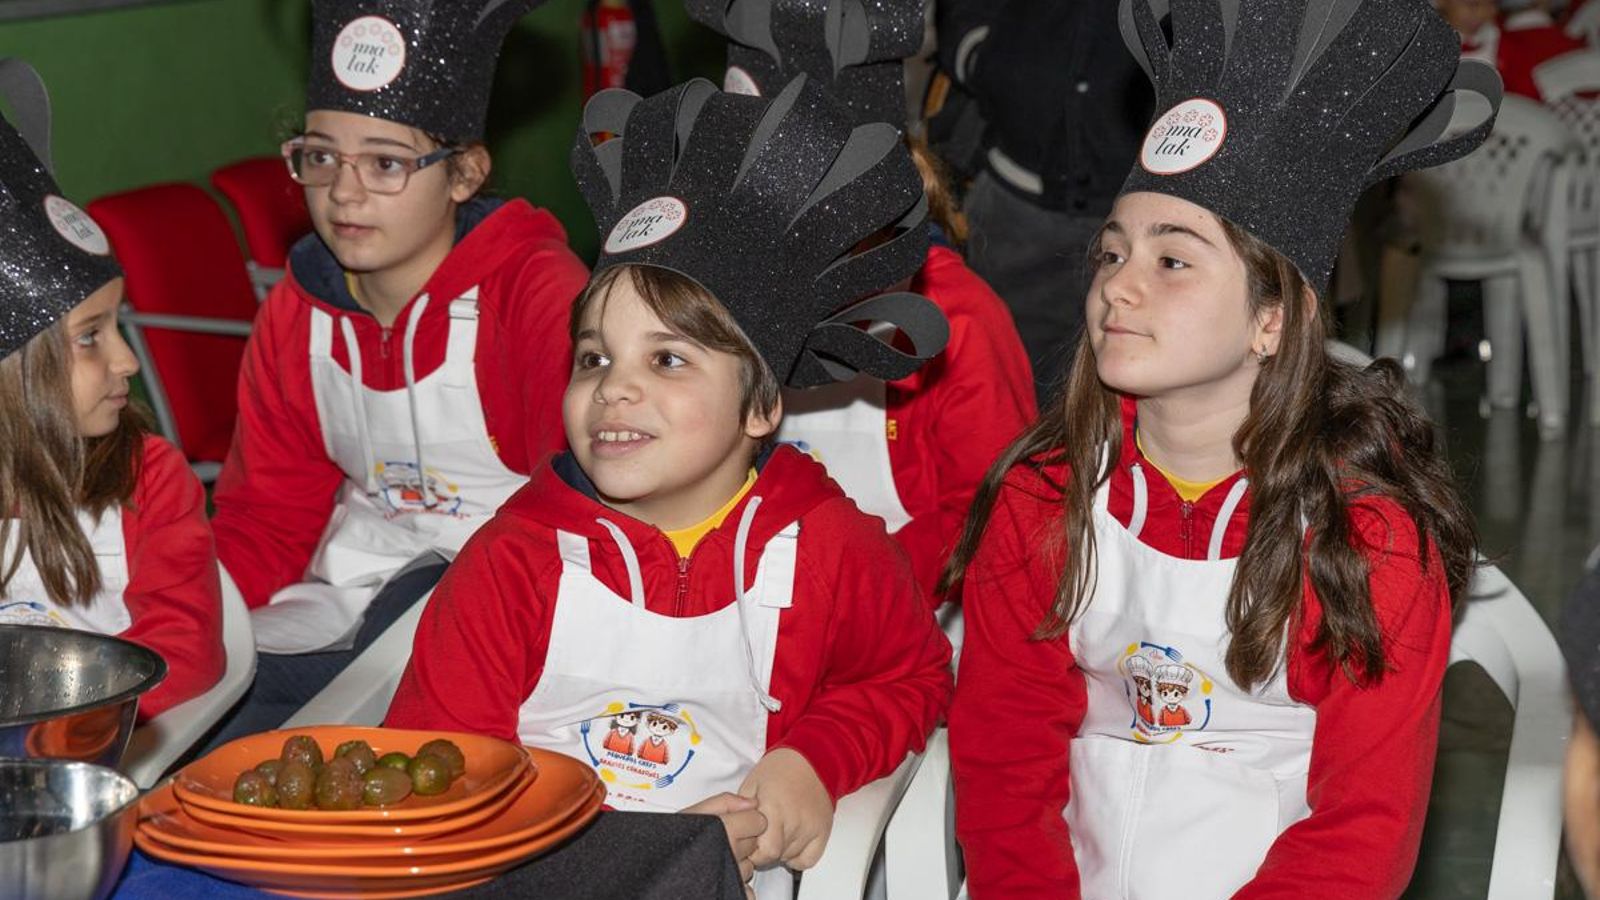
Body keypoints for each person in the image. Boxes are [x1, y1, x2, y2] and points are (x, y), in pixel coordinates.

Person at [943, 1, 1498, 896]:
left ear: (1275, 318)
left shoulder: (1369, 536)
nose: (1119, 285)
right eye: (1111, 253)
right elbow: (1005, 760)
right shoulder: (1046, 498)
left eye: (1172, 261)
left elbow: (1363, 833)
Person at [386, 76, 953, 899]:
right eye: (594, 357)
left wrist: (812, 759)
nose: (613, 387)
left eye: (668, 359)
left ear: (761, 405)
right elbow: (432, 775)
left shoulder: (829, 546)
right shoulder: (511, 562)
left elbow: (908, 677)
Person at [207, 0, 588, 736]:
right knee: (211, 705)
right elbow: (267, 520)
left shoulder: (534, 294)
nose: (344, 193)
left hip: (515, 602)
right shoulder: (296, 313)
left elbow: (581, 511)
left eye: (385, 162)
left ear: (464, 174)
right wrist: (191, 607)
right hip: (346, 597)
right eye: (321, 156)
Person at [683, 0, 1037, 604]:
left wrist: (837, 586)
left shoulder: (959, 320)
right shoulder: (700, 297)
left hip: (911, 621)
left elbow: (995, 520)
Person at [0, 60, 222, 722]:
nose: (127, 360)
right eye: (91, 336)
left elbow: (186, 649)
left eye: (116, 326)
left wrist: (62, 725)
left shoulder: (148, 477)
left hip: (106, 760)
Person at [933, 0, 1153, 401]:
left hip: (1145, 209)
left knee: (1129, 400)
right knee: (998, 391)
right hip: (1014, 206)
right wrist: (986, 60)